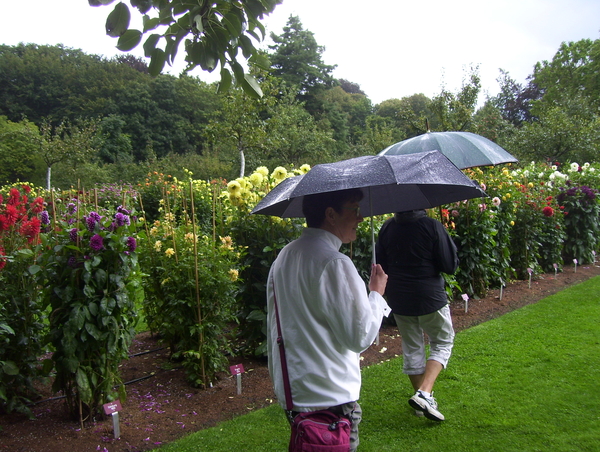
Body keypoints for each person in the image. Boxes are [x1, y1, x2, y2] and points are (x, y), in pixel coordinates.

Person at [266, 188, 391, 451]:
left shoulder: (285, 256)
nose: (360, 217)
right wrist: (376, 294)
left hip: (296, 394)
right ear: (331, 215)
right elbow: (359, 336)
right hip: (330, 399)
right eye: (354, 209)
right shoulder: (334, 262)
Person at [375, 209, 458, 422]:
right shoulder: (431, 226)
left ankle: (421, 403)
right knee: (442, 341)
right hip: (428, 295)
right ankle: (425, 392)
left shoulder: (387, 227)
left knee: (412, 346)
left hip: (399, 297)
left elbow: (380, 265)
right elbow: (449, 265)